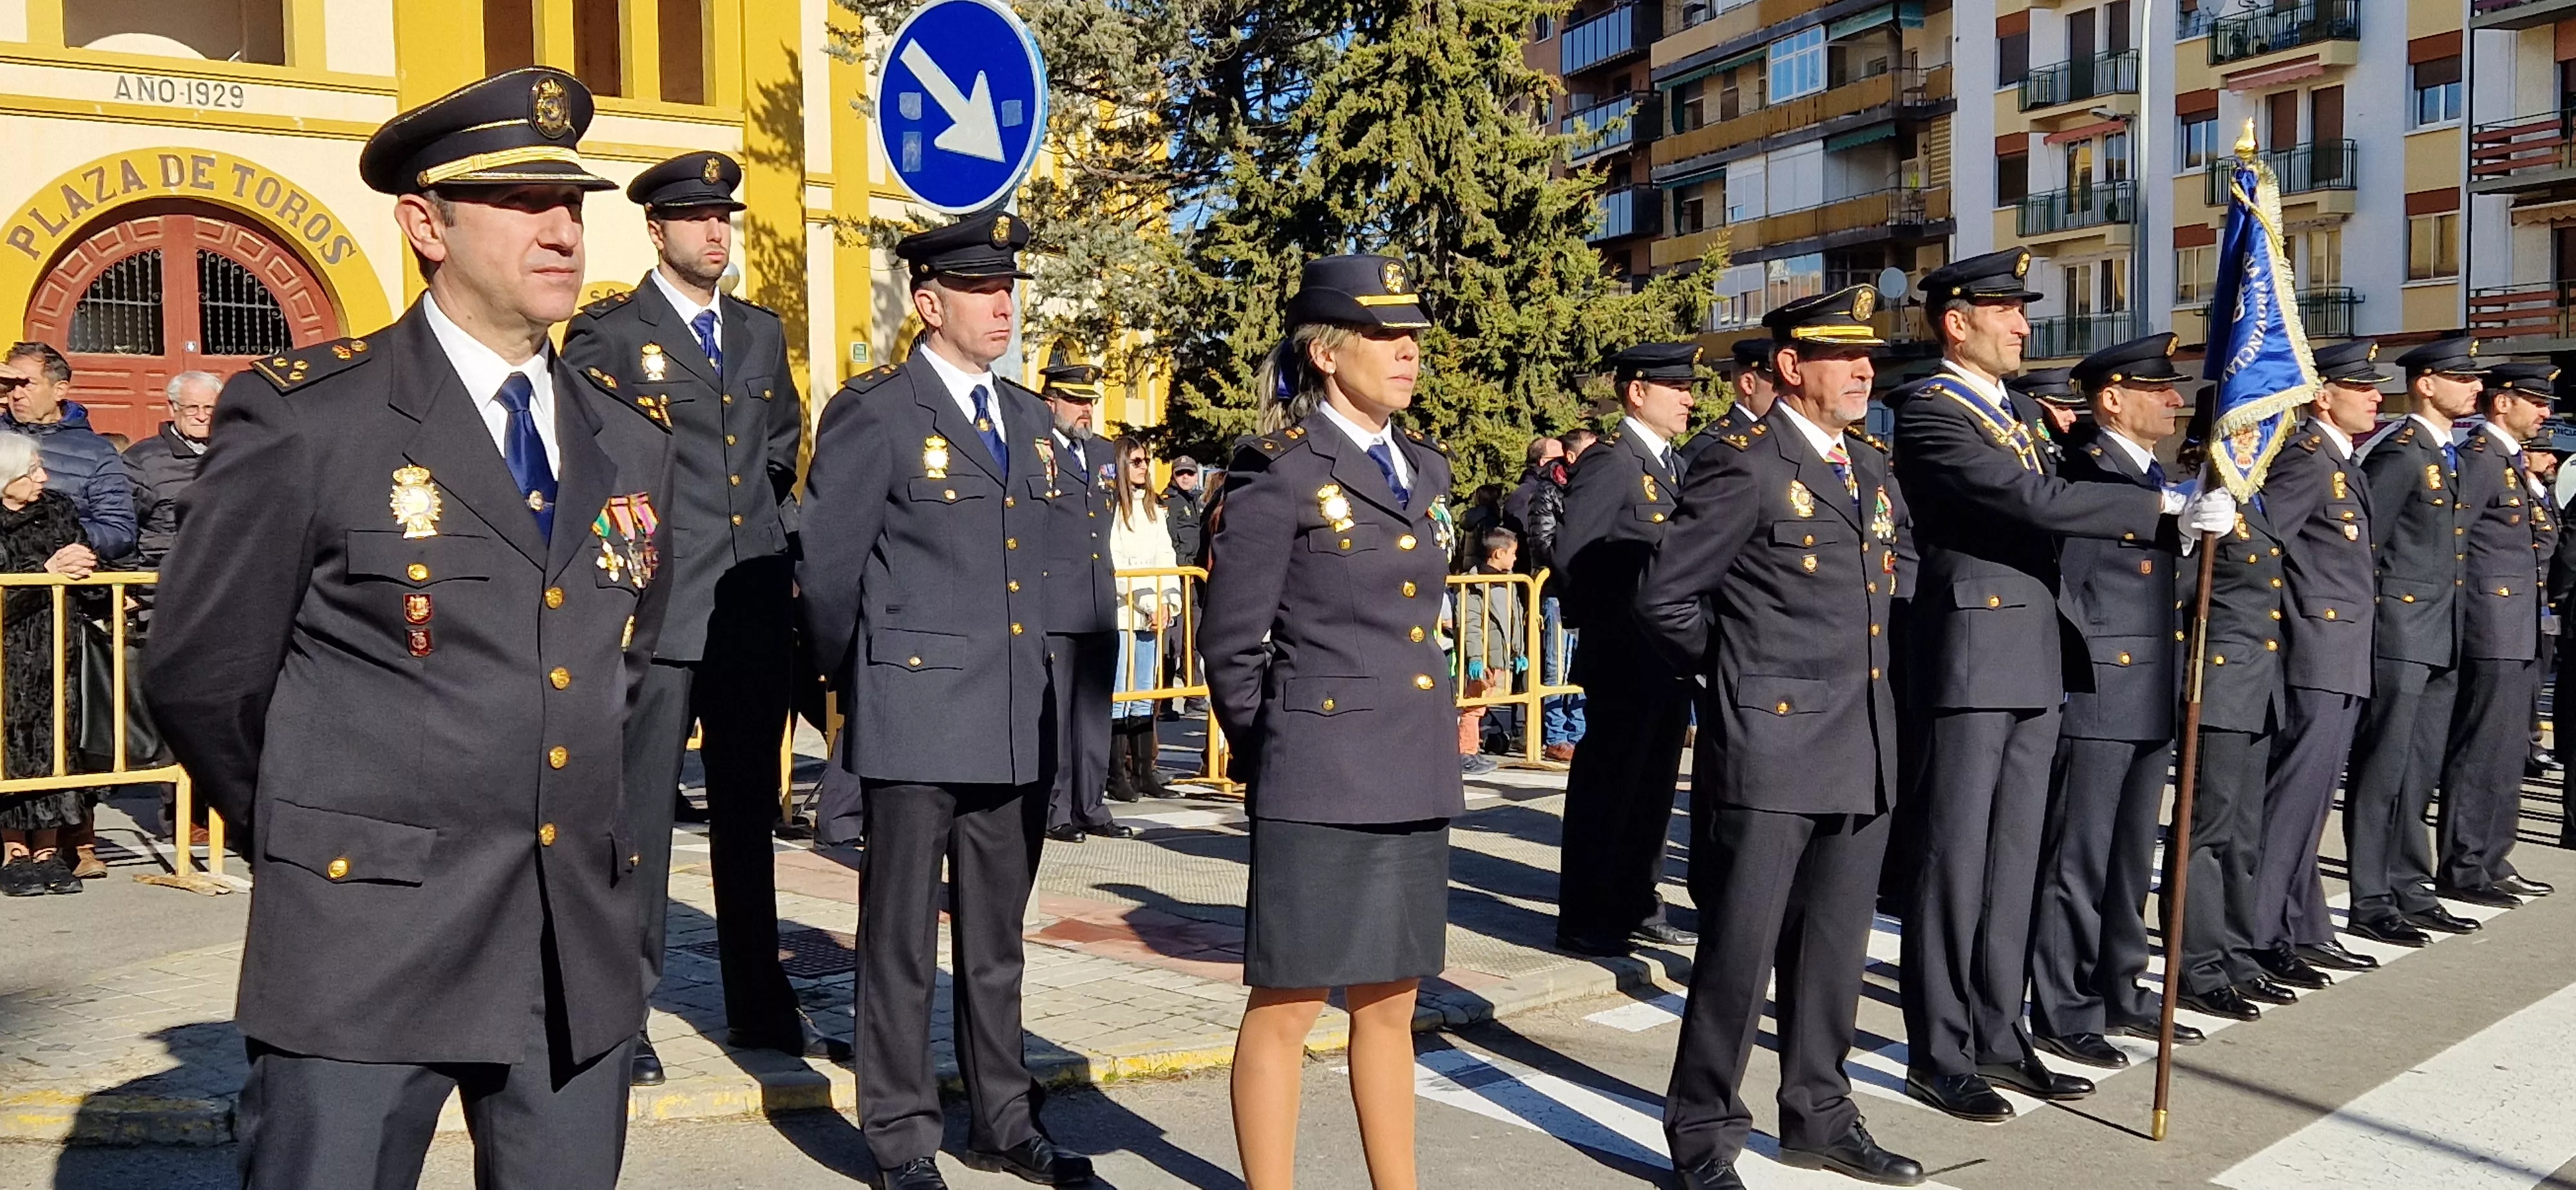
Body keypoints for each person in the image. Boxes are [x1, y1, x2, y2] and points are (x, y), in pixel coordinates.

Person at [144, 67, 674, 1187]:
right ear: (424, 223)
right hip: (364, 936)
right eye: (522, 203)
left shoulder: (630, 442)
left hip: (568, 942)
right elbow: (201, 675)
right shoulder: (312, 416)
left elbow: (623, 670)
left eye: (571, 203)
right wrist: (316, 836)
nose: (562, 230)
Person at [1889, 249, 2231, 1122]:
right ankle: (1939, 1050)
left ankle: (2001, 1035)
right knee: (1953, 861)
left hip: (2037, 655)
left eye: (2023, 312)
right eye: (2007, 312)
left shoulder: (2016, 414)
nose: (2023, 325)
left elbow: (2056, 476)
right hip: (1970, 657)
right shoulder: (1929, 411)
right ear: (1956, 322)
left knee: (2014, 864)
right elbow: (2023, 500)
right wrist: (2158, 506)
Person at [798, 209, 1092, 1190]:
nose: (1003, 303)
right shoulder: (878, 410)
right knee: (897, 945)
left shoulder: (1024, 420)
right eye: (979, 289)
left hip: (1010, 717)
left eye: (1007, 287)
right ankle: (900, 1137)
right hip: (914, 716)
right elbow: (829, 576)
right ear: (929, 303)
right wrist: (864, 683)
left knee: (998, 941)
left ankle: (1003, 1119)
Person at [1638, 285, 1920, 1190]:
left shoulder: (1867, 465)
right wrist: (1740, 672)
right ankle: (1703, 1136)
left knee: (1835, 952)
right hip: (1772, 743)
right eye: (1845, 358)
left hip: (1862, 739)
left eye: (1868, 358)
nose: (1864, 371)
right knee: (1738, 953)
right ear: (1793, 368)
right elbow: (1666, 596)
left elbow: (1900, 561)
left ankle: (1820, 1114)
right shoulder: (1746, 465)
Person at [559, 149, 828, 1087]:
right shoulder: (607, 336)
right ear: (658, 230)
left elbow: (783, 451)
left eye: (726, 217)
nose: (717, 232)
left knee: (750, 814)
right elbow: (591, 473)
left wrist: (782, 550)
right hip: (659, 616)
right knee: (637, 822)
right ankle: (620, 1012)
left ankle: (759, 999)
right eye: (697, 218)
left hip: (748, 612)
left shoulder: (757, 334)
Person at [1201, 253, 1462, 1190]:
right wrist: (1284, 759)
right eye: (1385, 337)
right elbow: (1232, 647)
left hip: (1410, 764)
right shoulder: (1281, 472)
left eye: (1413, 337)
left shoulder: (1423, 467)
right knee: (1288, 1002)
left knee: (1393, 1002)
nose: (1407, 353)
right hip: (1317, 773)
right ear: (1324, 353)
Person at [2024, 337, 2198, 1070]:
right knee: (2079, 861)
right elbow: (2070, 588)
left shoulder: (2148, 474)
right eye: (2156, 389)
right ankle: (2064, 1006)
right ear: (2110, 400)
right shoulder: (2086, 472)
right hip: (2101, 688)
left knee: (2130, 859)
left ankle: (2119, 990)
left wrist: (2190, 543)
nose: (2173, 400)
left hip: (2151, 684)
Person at [1552, 341, 1702, 957]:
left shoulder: (1672, 464)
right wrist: (1616, 619)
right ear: (1637, 393)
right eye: (1677, 387)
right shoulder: (1614, 463)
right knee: (1608, 789)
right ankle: (1587, 915)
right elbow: (1571, 555)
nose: (1690, 398)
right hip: (1625, 655)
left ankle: (1636, 901)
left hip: (1665, 658)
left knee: (1653, 790)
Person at [2342, 337, 2489, 947]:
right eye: (2463, 378)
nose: (2476, 388)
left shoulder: (2445, 452)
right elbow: (2361, 547)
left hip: (2439, 629)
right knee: (2383, 768)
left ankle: (2409, 884)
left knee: (2419, 767)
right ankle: (2371, 894)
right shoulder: (2402, 453)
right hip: (2400, 630)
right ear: (2426, 384)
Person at [2251, 340, 2388, 983]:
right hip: (2314, 649)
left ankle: (2302, 925)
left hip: (2342, 652)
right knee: (2294, 799)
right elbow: (2263, 548)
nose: (2376, 396)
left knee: (2312, 804)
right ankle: (2260, 934)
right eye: (2362, 387)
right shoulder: (2307, 460)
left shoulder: (2343, 463)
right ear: (2322, 395)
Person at [2168, 394, 2299, 1023]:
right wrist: (2188, 539)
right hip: (2217, 687)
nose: (2263, 446)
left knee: (2243, 835)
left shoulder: (2253, 501)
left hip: (2256, 686)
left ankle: (2238, 952)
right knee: (2207, 832)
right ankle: (2197, 964)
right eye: (2253, 434)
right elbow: (2170, 593)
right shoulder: (2198, 498)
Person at [2436, 363, 2559, 906]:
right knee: (2481, 746)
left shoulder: (2514, 465)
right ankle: (2465, 863)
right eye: (2535, 400)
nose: (2545, 412)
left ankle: (2492, 857)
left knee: (2509, 749)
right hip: (2490, 624)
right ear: (2503, 403)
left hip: (2522, 625)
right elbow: (2454, 542)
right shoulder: (2482, 459)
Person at [1035, 362, 1133, 844]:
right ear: (1050, 400)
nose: (1085, 410)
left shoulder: (1102, 451)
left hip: (1097, 602)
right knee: (1057, 715)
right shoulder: (1036, 448)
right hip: (1055, 602)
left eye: (1089, 401)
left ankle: (1091, 805)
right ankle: (1057, 809)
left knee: (1094, 713)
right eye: (1075, 401)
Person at [0, 431, 95, 897]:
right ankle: (13, 850)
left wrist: (86, 566)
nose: (43, 477)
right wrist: (45, 573)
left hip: (59, 647)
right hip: (7, 654)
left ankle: (49, 849)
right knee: (11, 747)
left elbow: (79, 558)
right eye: (31, 470)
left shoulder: (57, 508)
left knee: (57, 742)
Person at [1, 343, 137, 563]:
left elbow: (119, 531)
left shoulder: (96, 452)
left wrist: (57, 538)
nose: (16, 394)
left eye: (27, 384)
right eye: (10, 385)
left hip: (64, 586)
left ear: (59, 390)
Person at [1107, 433, 1182, 800]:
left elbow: (1165, 555)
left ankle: (1143, 772)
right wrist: (1150, 603)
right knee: (1121, 693)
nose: (1144, 467)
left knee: (1145, 696)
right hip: (1125, 613)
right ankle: (1115, 773)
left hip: (1152, 614)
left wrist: (1170, 600)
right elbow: (1116, 560)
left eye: (1147, 461)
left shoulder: (1154, 507)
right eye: (1136, 461)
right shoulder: (1113, 508)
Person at [125, 371, 219, 575]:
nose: (202, 417)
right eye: (192, 408)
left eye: (209, 408)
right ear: (173, 408)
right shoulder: (141, 460)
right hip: (163, 585)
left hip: (224, 586)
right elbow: (122, 528)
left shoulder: (237, 452)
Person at [1454, 526, 1522, 777]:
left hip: (1498, 654)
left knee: (1481, 705)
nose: (1515, 558)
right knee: (1474, 706)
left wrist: (1518, 651)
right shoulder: (1475, 585)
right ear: (1497, 554)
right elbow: (1471, 623)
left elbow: (1514, 618)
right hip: (1482, 656)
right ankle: (1465, 752)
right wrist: (1475, 657)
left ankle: (1471, 750)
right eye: (1513, 553)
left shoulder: (1510, 581)